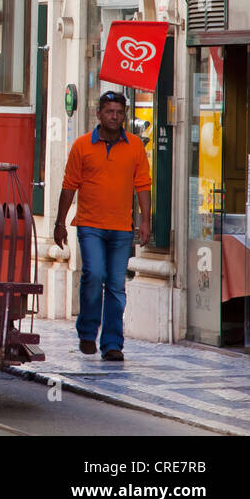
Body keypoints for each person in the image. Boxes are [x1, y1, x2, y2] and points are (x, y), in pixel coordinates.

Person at [53, 90, 152, 362]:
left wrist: (146, 220)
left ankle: (111, 344)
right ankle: (87, 332)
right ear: (98, 114)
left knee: (117, 286)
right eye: (109, 111)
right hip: (90, 225)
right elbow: (69, 186)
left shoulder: (134, 146)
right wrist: (60, 223)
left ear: (125, 116)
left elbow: (143, 184)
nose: (115, 116)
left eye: (119, 112)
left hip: (122, 228)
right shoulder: (82, 145)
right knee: (94, 275)